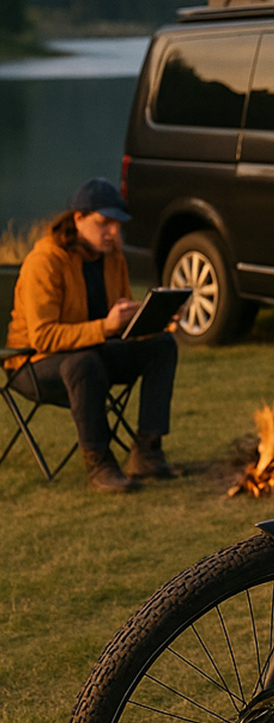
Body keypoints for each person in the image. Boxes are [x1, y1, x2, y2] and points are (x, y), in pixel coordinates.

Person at [4, 177, 179, 493]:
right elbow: (42, 337)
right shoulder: (45, 261)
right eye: (104, 223)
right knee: (83, 363)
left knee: (162, 346)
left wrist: (154, 320)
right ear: (78, 219)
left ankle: (147, 452)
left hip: (95, 353)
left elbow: (120, 325)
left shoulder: (113, 257)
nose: (112, 232)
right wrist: (106, 327)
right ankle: (99, 462)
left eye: (117, 224)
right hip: (32, 363)